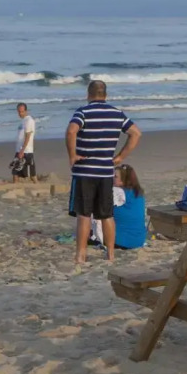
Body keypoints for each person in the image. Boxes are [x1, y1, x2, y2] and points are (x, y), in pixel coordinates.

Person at [66, 80, 140, 266]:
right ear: (105, 94)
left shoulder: (83, 112)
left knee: (84, 215)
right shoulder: (117, 114)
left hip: (85, 171)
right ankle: (111, 254)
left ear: (88, 94)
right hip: (105, 172)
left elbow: (71, 131)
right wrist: (120, 157)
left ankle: (81, 255)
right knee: (106, 215)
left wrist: (72, 155)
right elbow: (136, 133)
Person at [111, 163, 148, 250]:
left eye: (115, 176)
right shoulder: (138, 193)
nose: (112, 178)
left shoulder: (117, 192)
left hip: (120, 241)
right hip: (139, 240)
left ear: (123, 181)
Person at [13, 103, 37, 182]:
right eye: (19, 112)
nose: (20, 113)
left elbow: (28, 136)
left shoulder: (29, 120)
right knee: (15, 172)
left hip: (26, 151)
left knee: (32, 174)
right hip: (19, 150)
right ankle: (15, 187)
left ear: (26, 111)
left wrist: (22, 150)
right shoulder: (23, 121)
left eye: (22, 111)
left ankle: (37, 186)